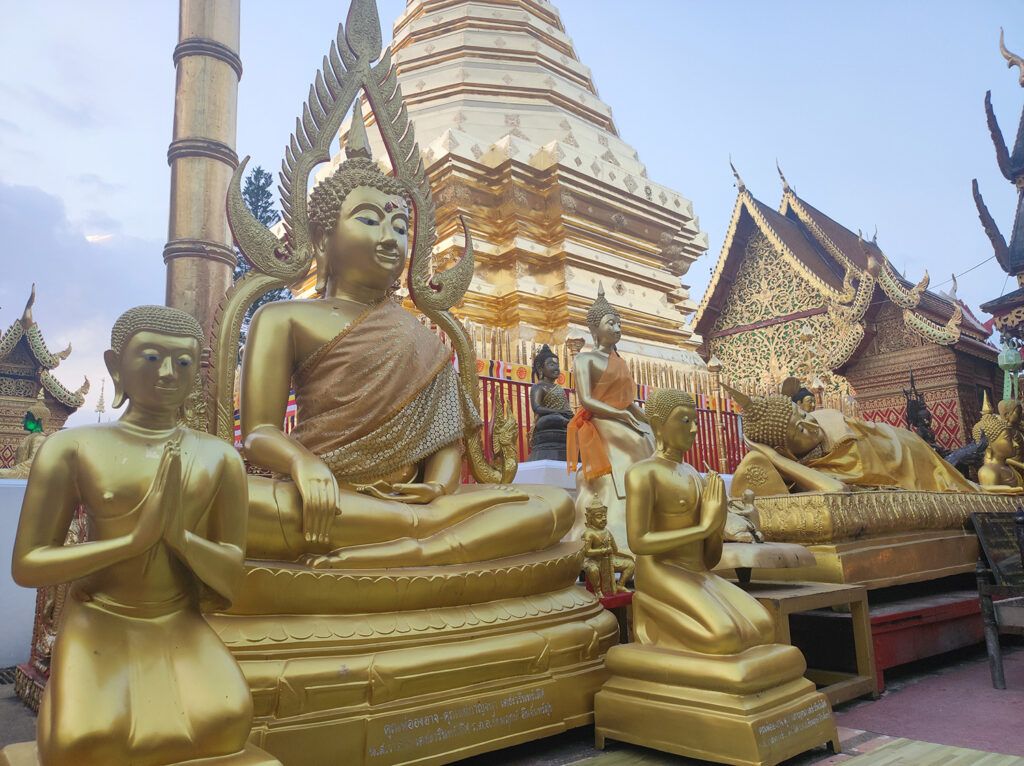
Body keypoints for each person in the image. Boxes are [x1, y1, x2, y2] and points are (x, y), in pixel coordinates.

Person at [239, 119, 573, 568]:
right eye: (369, 219)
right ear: (322, 239)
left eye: (400, 225)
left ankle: (410, 547)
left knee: (552, 505)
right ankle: (419, 547)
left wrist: (436, 488)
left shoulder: (421, 336)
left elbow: (446, 444)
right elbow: (259, 433)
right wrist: (302, 464)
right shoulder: (283, 317)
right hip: (324, 498)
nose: (390, 238)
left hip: (415, 508)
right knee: (231, 501)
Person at [3, 305, 277, 766]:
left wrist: (181, 539)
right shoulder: (73, 447)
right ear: (116, 365)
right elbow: (27, 564)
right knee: (82, 743)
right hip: (101, 618)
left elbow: (231, 575)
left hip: (177, 619)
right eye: (151, 357)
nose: (169, 373)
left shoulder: (219, 458)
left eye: (184, 363)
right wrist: (130, 543)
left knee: (227, 722)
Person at [568, 285, 652, 549]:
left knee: (649, 438)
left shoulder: (620, 361)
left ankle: (649, 515)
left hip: (623, 416)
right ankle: (618, 523)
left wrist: (647, 420)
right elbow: (587, 400)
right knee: (632, 446)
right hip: (602, 420)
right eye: (610, 323)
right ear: (595, 330)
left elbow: (629, 401)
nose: (616, 328)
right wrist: (620, 415)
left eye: (618, 323)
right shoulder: (585, 360)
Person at [527, 344, 573, 461]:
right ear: (540, 368)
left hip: (561, 421)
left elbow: (565, 408)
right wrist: (558, 412)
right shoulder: (538, 387)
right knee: (554, 418)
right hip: (546, 421)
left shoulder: (559, 388)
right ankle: (567, 423)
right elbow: (537, 408)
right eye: (551, 364)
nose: (556, 368)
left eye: (557, 365)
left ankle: (569, 424)